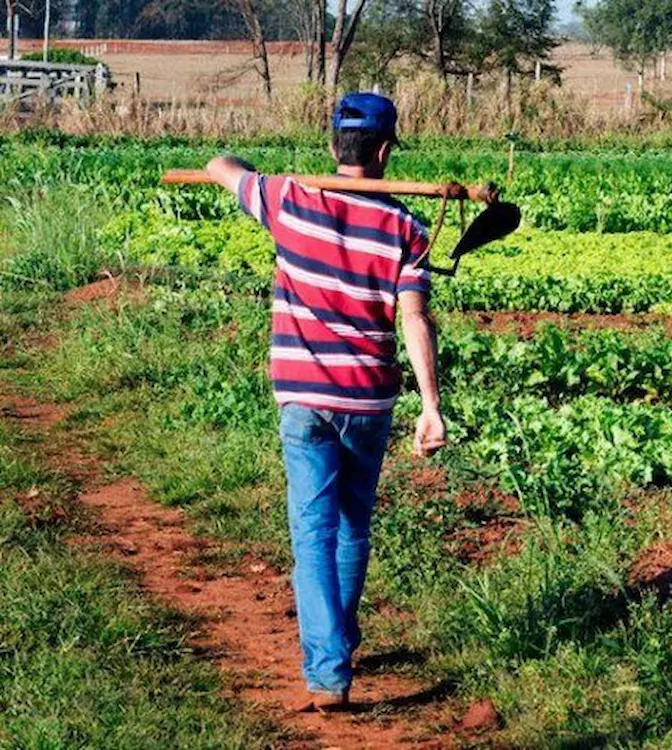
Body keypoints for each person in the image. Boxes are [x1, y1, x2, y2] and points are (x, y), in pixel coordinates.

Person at [205, 92, 446, 712]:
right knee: (351, 528)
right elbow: (415, 320)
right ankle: (335, 646)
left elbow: (218, 164)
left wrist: (244, 166)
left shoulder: (287, 199)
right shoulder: (405, 228)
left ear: (332, 147)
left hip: (303, 397)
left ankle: (329, 670)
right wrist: (431, 405)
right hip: (369, 398)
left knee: (314, 532)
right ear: (386, 152)